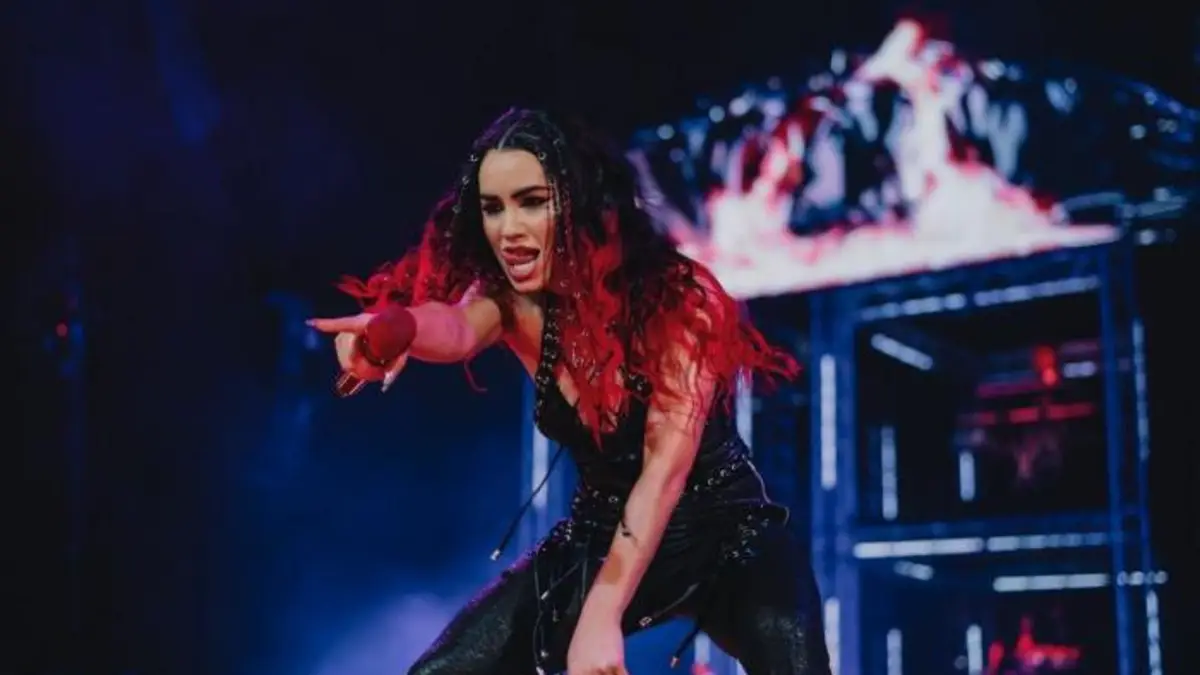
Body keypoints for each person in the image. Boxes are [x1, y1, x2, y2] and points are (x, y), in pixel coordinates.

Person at [308, 108, 831, 675]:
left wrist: (602, 612)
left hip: (726, 534)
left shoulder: (680, 300)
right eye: (493, 208)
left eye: (531, 202)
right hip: (599, 534)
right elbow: (455, 328)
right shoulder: (512, 302)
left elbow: (664, 472)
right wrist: (392, 332)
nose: (508, 229)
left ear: (578, 201)